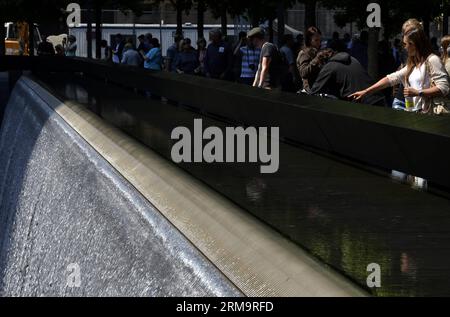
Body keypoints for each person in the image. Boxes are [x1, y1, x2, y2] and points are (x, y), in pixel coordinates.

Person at [350, 24, 449, 114]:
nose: (404, 48)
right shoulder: (412, 64)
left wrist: (418, 92)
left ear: (414, 44)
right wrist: (366, 91)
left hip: (428, 115)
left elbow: (444, 87)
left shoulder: (432, 60)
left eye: (406, 44)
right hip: (414, 114)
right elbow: (391, 78)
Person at [310, 49, 386, 106]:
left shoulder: (329, 66)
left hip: (363, 104)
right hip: (378, 98)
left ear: (322, 61)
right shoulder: (352, 59)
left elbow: (314, 90)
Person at [297, 27, 327, 93]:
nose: (319, 43)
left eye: (320, 40)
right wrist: (317, 59)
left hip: (319, 89)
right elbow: (303, 72)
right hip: (310, 91)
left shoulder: (316, 52)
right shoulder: (304, 53)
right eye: (316, 40)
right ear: (309, 40)